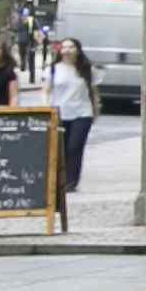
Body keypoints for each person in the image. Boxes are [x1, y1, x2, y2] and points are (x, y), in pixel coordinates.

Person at [43, 32, 99, 211]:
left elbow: (94, 91)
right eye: (64, 47)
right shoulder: (53, 69)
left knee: (75, 146)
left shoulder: (87, 69)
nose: (67, 50)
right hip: (59, 111)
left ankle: (71, 181)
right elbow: (46, 90)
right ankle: (59, 180)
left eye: (71, 47)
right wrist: (46, 107)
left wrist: (95, 110)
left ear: (77, 50)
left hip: (82, 112)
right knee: (60, 148)